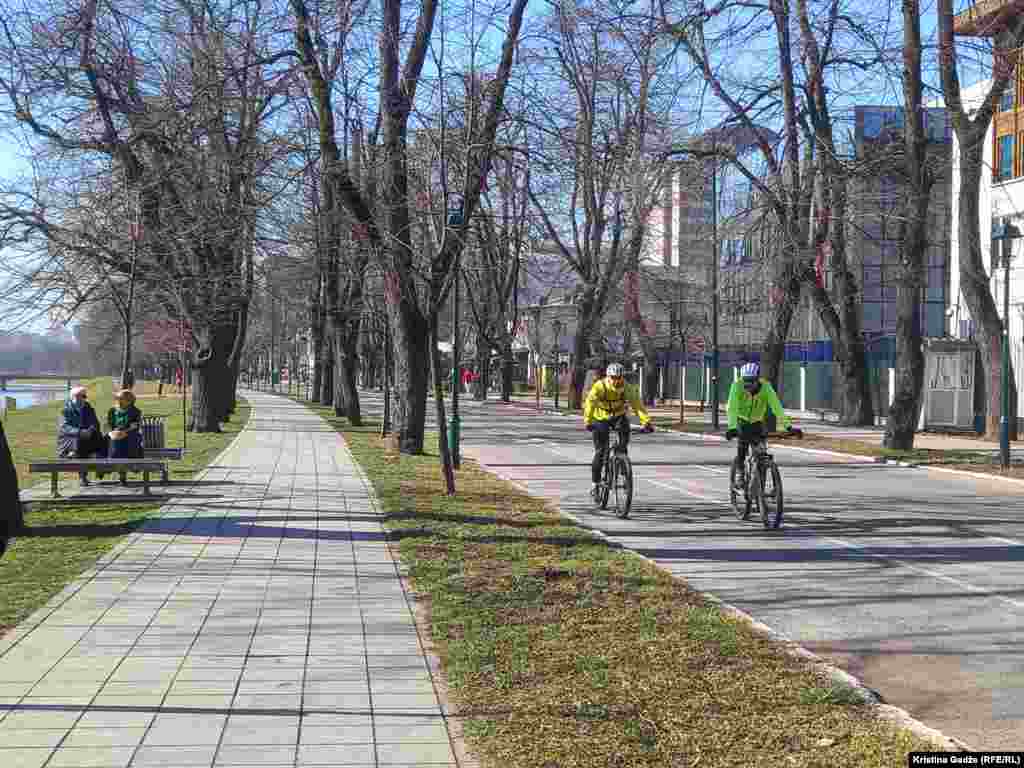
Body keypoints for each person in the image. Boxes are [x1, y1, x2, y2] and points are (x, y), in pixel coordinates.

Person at [583, 362, 654, 500]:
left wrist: (646, 422)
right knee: (600, 451)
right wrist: (588, 421)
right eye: (614, 377)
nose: (617, 380)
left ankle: (622, 466)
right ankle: (596, 483)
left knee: (623, 443)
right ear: (608, 377)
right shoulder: (600, 386)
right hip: (600, 417)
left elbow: (637, 405)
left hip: (618, 416)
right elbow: (590, 403)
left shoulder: (627, 388)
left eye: (619, 377)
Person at [725, 362, 796, 488]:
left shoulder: (766, 387)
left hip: (757, 422)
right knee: (742, 445)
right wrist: (732, 427)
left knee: (762, 453)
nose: (748, 385)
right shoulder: (736, 386)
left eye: (751, 381)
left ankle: (760, 491)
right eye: (745, 381)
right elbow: (732, 408)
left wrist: (788, 427)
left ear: (758, 380)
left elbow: (776, 407)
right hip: (742, 421)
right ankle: (740, 473)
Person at [57, 385, 107, 486]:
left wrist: (91, 430)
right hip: (69, 440)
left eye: (84, 396)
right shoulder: (65, 410)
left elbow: (96, 423)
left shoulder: (89, 408)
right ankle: (82, 476)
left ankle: (100, 465)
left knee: (104, 438)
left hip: (87, 437)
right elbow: (65, 427)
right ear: (72, 397)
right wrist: (80, 432)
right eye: (78, 396)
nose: (82, 399)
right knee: (79, 441)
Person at [107, 388, 143, 463]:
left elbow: (135, 426)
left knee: (132, 439)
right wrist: (111, 432)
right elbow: (108, 425)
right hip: (114, 433)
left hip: (129, 434)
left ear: (129, 401)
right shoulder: (112, 411)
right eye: (117, 398)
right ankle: (107, 463)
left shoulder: (135, 412)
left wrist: (124, 432)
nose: (117, 401)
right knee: (106, 439)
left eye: (120, 399)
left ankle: (130, 462)